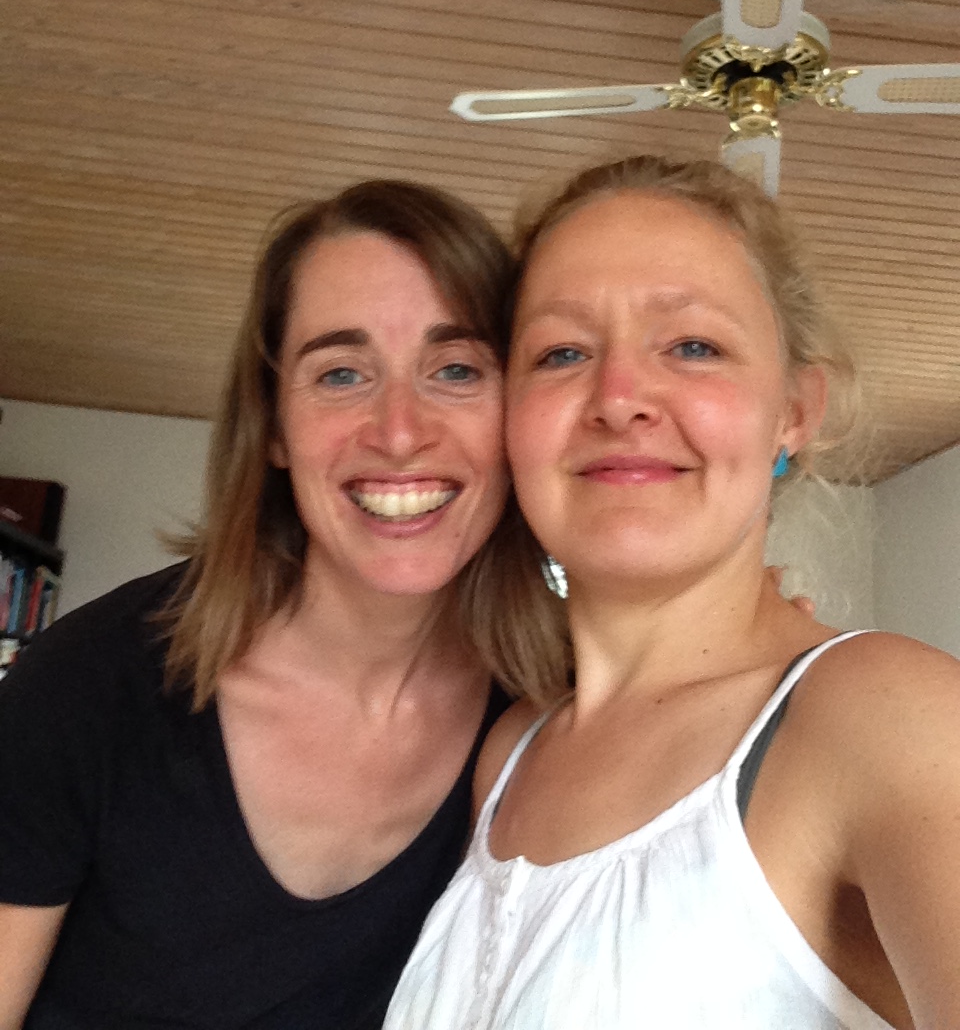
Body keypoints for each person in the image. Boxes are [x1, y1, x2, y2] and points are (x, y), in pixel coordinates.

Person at [385, 155, 960, 1030]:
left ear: (794, 411)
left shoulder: (888, 719)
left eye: (694, 347)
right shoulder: (510, 751)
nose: (618, 400)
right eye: (562, 353)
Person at [0, 179, 516, 1029]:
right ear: (273, 425)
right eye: (341, 373)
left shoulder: (548, 723)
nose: (399, 430)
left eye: (455, 369)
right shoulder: (87, 686)